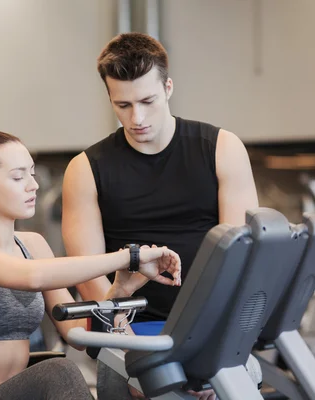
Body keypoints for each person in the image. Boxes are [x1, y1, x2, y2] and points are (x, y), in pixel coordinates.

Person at [61, 32, 259, 400]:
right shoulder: (86, 169)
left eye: (147, 101)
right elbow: (89, 276)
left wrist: (210, 358)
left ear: (168, 87)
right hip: (127, 332)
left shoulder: (222, 149)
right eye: (122, 105)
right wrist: (137, 359)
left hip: (212, 330)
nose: (136, 118)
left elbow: (240, 262)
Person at [0, 131, 182, 400]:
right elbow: (32, 277)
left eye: (32, 173)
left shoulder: (33, 245)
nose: (32, 185)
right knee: (59, 370)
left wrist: (119, 291)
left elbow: (75, 333)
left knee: (114, 371)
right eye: (18, 177)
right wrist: (129, 257)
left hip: (17, 394)